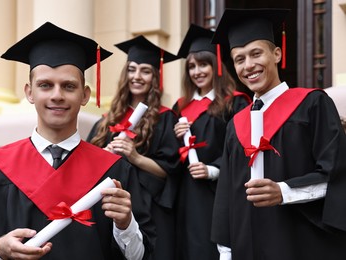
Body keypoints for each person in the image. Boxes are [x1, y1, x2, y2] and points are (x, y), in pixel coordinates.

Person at [0, 22, 156, 260]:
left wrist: (126, 225)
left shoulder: (116, 172)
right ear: (30, 93)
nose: (57, 95)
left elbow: (141, 256)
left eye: (69, 86)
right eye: (45, 85)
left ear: (85, 95)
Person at [211, 8, 346, 260]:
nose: (248, 65)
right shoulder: (236, 124)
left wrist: (284, 191)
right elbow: (226, 195)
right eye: (239, 59)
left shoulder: (312, 105)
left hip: (299, 243)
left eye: (256, 53)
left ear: (277, 53)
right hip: (246, 247)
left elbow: (338, 175)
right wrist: (225, 251)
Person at [87, 35, 181, 260]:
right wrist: (104, 157)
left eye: (145, 71)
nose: (137, 76)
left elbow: (170, 171)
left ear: (155, 77)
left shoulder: (165, 118)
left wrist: (135, 156)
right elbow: (87, 165)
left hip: (150, 208)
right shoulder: (107, 120)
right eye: (132, 69)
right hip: (110, 203)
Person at [172, 24, 250, 260]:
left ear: (216, 65)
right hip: (186, 192)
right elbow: (169, 156)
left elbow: (241, 148)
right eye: (191, 67)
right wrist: (175, 136)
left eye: (203, 64)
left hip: (218, 190)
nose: (197, 72)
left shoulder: (234, 103)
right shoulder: (180, 107)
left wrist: (213, 169)